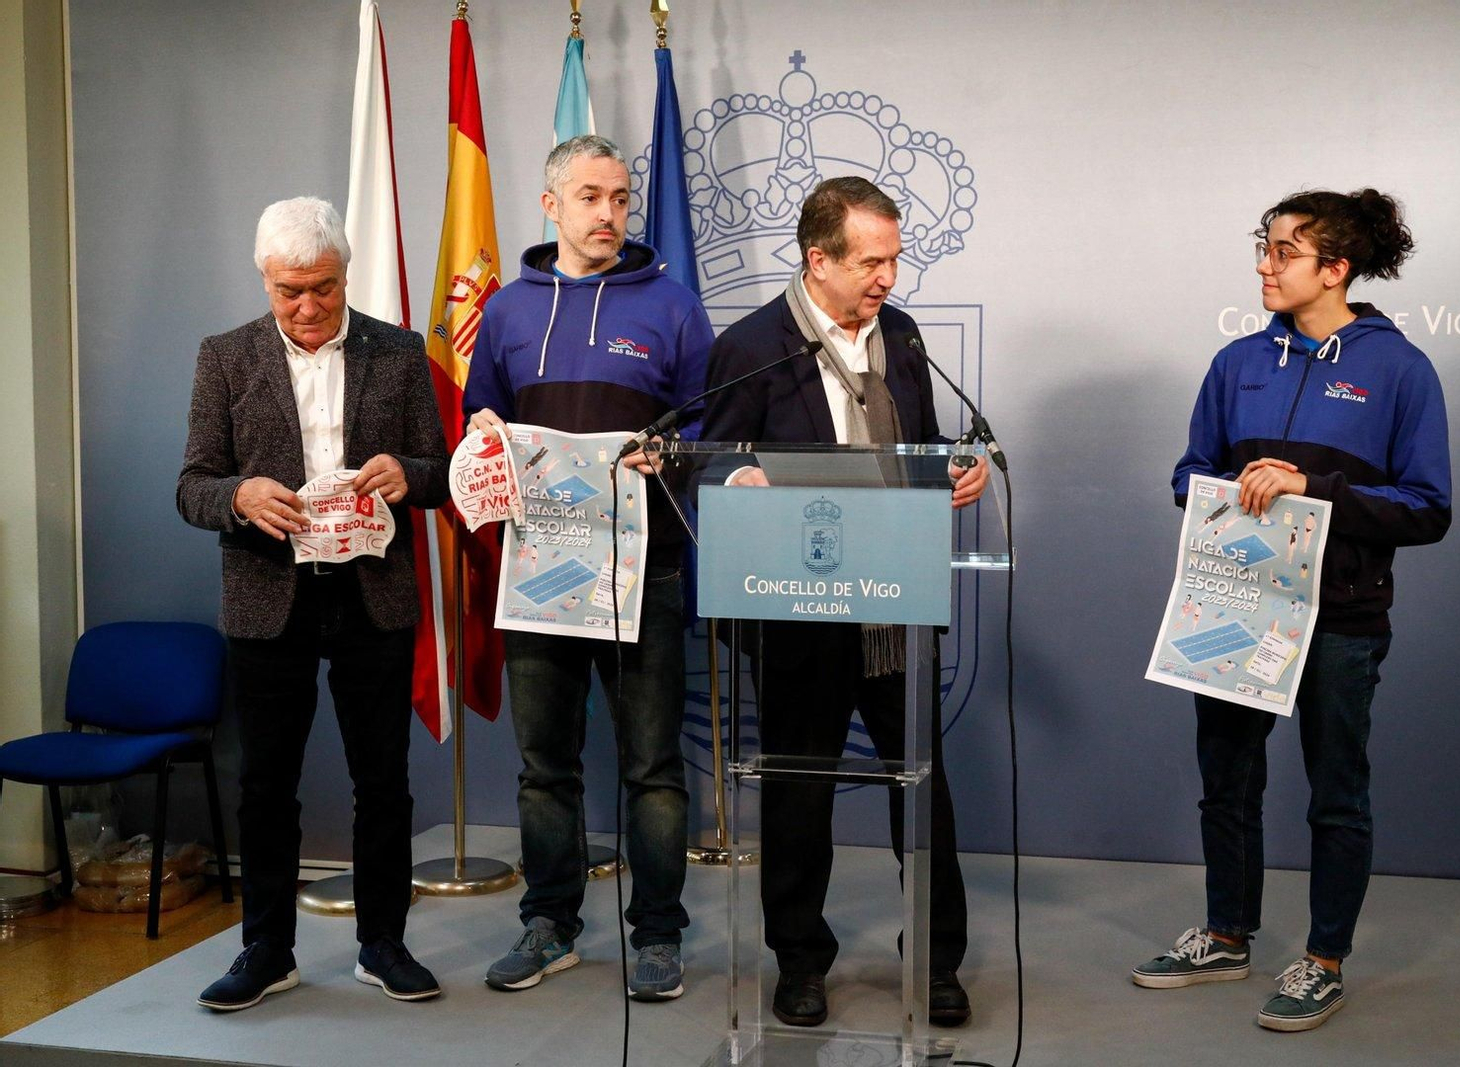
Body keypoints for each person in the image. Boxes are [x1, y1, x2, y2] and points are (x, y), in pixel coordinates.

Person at [1133, 189, 1451, 1032]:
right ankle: (1228, 934)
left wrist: (1316, 490)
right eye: (1263, 247)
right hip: (1234, 605)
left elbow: (1428, 508)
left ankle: (1323, 960)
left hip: (1340, 623)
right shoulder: (1236, 362)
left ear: (1335, 268)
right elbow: (1187, 471)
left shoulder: (1400, 370)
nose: (1264, 264)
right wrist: (1214, 494)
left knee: (1336, 795)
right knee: (1226, 784)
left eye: (1283, 251)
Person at [701, 176, 989, 1028]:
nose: (888, 278)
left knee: (921, 785)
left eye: (895, 259)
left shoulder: (898, 335)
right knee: (799, 788)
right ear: (816, 259)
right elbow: (707, 457)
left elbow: (917, 442)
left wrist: (951, 470)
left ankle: (936, 961)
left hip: (895, 596)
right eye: (872, 261)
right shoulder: (755, 345)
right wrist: (736, 476)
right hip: (800, 606)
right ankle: (799, 961)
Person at [177, 197, 448, 1010]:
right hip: (270, 600)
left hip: (373, 595)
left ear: (345, 273)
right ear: (265, 280)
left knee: (385, 780)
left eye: (323, 288)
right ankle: (267, 948)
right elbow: (191, 485)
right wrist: (239, 496)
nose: (307, 306)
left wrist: (410, 473)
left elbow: (441, 470)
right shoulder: (224, 357)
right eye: (289, 290)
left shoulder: (398, 352)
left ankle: (383, 943)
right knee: (266, 782)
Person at [464, 135, 712, 1002]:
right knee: (545, 765)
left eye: (621, 198)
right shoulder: (505, 311)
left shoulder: (673, 308)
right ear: (552, 205)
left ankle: (657, 935)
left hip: (649, 572)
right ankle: (550, 924)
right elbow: (478, 422)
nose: (609, 213)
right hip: (540, 574)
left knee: (652, 766)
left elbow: (707, 433)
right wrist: (485, 440)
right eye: (592, 197)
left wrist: (669, 453)